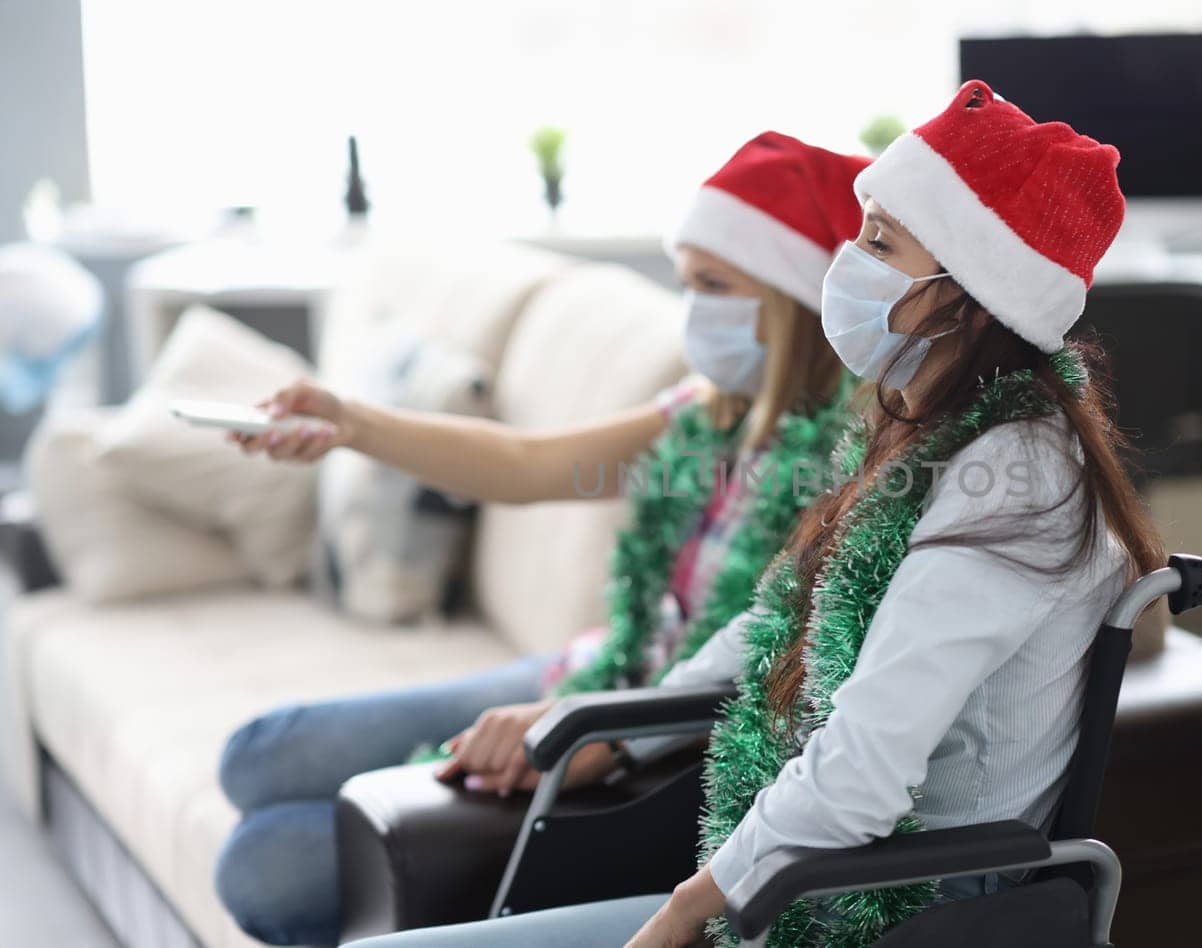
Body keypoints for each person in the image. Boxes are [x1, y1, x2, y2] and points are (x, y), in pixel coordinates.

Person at [345, 79, 1166, 948]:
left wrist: (682, 912)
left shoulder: (1017, 478)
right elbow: (778, 624)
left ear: (971, 291)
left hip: (892, 907)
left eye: (880, 241)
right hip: (805, 880)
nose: (846, 262)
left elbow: (860, 775)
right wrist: (613, 733)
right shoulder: (916, 430)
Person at [211, 132, 870, 947]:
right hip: (598, 667)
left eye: (713, 285)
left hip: (656, 740)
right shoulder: (709, 410)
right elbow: (526, 465)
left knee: (263, 866)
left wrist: (591, 722)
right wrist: (351, 424)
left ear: (793, 299)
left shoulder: (857, 452)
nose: (691, 310)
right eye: (685, 283)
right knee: (257, 756)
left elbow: (773, 658)